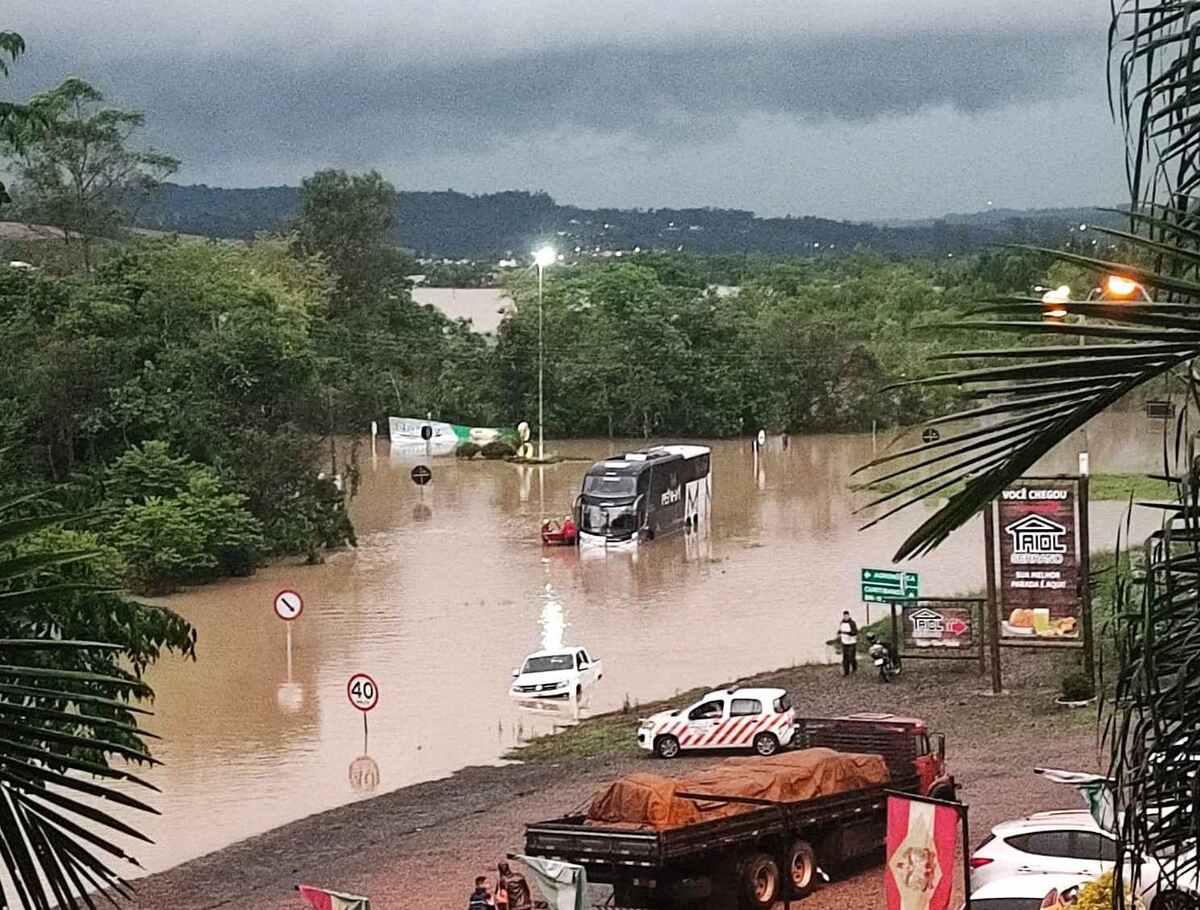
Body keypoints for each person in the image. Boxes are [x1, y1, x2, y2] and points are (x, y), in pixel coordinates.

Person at [838, 610, 859, 676]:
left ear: (849, 615)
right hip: (844, 642)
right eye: (844, 616)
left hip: (852, 642)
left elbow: (855, 632)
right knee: (845, 658)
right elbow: (840, 630)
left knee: (851, 657)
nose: (845, 617)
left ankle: (854, 667)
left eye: (846, 616)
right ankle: (846, 672)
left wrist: (848, 633)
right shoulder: (841, 622)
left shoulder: (852, 623)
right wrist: (839, 632)